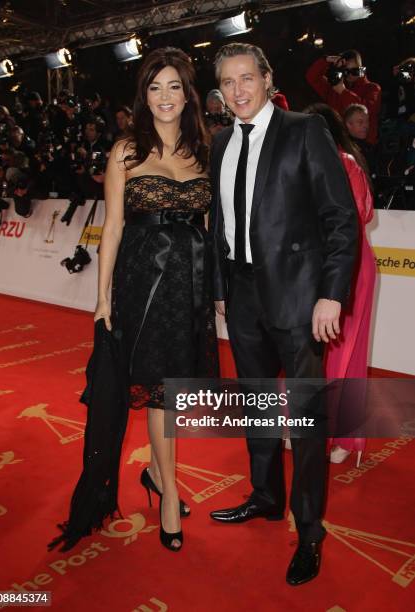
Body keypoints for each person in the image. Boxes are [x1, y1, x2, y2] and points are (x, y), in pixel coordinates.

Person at [48, 47, 219, 554]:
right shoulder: (125, 150)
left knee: (171, 390)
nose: (165, 97)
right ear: (144, 95)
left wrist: (216, 293)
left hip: (188, 289)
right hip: (142, 285)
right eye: (154, 87)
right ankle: (168, 493)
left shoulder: (202, 150)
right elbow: (114, 229)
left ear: (188, 94)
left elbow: (207, 227)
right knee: (158, 390)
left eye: (174, 87)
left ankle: (155, 473)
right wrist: (102, 299)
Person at [209, 43, 358, 586]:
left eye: (247, 78)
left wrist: (331, 294)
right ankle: (267, 497)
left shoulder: (302, 131)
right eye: (228, 82)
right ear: (220, 92)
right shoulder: (221, 140)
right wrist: (222, 288)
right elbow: (220, 223)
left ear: (267, 78)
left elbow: (341, 220)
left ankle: (310, 530)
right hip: (242, 296)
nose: (239, 90)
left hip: (299, 298)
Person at [304, 103, 376, 467]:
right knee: (328, 351)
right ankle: (340, 435)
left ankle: (333, 435)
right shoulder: (337, 160)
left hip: (346, 265)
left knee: (339, 352)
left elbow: (357, 216)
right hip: (329, 265)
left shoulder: (342, 161)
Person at [306, 49, 381, 144]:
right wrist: (328, 60)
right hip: (340, 143)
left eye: (355, 71)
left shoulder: (372, 88)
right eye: (346, 71)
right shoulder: (333, 89)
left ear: (361, 70)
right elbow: (311, 76)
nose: (350, 75)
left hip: (364, 145)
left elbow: (365, 110)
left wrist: (343, 92)